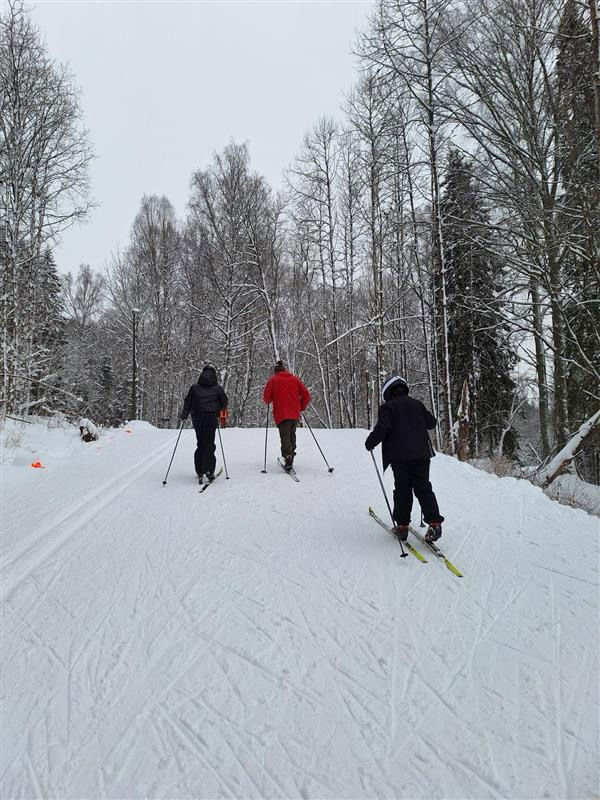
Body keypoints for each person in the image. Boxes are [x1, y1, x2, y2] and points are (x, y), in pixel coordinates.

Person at [364, 375, 444, 542]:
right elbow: (431, 423)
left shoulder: (388, 407)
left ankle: (402, 527)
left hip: (399, 457)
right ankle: (435, 522)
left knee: (402, 490)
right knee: (423, 487)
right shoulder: (417, 404)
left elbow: (383, 427)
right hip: (422, 455)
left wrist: (370, 442)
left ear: (388, 392)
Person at [180, 365, 228, 484]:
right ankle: (209, 470)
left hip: (197, 416)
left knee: (200, 442)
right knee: (209, 443)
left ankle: (200, 470)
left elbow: (188, 402)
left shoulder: (194, 388)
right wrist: (219, 412)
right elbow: (224, 402)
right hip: (211, 417)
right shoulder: (218, 389)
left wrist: (184, 415)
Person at [263, 360, 311, 470]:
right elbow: (306, 395)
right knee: (291, 434)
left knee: (285, 437)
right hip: (294, 413)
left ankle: (288, 457)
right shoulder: (294, 379)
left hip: (281, 413)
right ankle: (291, 455)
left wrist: (269, 400)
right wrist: (301, 406)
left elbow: (266, 398)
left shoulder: (273, 380)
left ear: (275, 371)